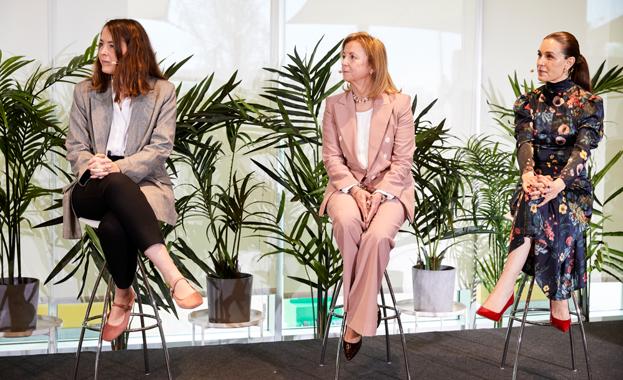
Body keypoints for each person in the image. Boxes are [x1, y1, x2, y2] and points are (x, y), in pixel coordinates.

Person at [62, 19, 202, 342]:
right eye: (101, 45)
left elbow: (160, 148)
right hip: (91, 184)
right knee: (113, 182)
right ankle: (172, 274)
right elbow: (74, 146)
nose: (102, 53)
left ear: (133, 49)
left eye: (112, 45)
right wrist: (93, 164)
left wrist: (119, 167)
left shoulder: (162, 92)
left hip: (144, 184)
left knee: (113, 225)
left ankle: (123, 296)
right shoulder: (86, 92)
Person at [477, 31, 604, 333]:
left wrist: (557, 184)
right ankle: (558, 296)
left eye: (549, 56)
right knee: (532, 196)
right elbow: (524, 143)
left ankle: (505, 289)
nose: (540, 62)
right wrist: (527, 175)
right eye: (539, 54)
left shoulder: (589, 103)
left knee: (539, 200)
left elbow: (583, 149)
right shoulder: (527, 102)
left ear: (569, 62)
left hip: (572, 190)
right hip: (535, 183)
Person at [319, 32, 415, 360]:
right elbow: (331, 158)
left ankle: (353, 322)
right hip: (346, 187)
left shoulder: (399, 104)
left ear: (372, 66)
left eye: (352, 57)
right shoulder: (333, 105)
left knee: (376, 237)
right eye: (343, 56)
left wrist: (381, 193)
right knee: (346, 222)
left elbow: (403, 161)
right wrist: (356, 190)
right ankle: (362, 312)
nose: (343, 62)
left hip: (391, 189)